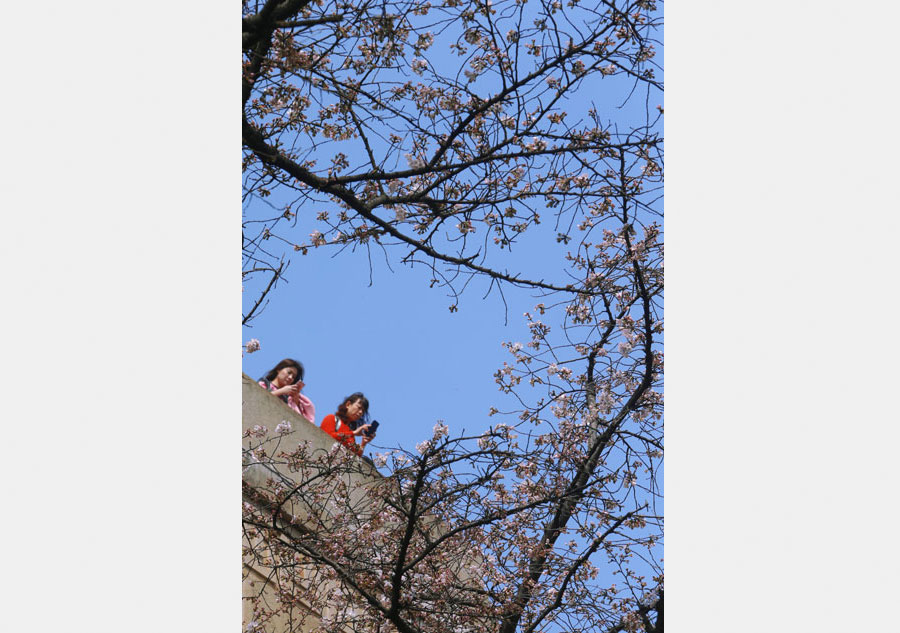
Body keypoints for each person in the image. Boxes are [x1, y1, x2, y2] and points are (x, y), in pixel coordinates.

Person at [257, 358, 316, 424]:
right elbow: (258, 399)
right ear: (279, 369)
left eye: (293, 377)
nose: (290, 377)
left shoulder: (290, 397)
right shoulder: (264, 384)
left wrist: (296, 399)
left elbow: (304, 421)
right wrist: (281, 391)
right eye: (289, 372)